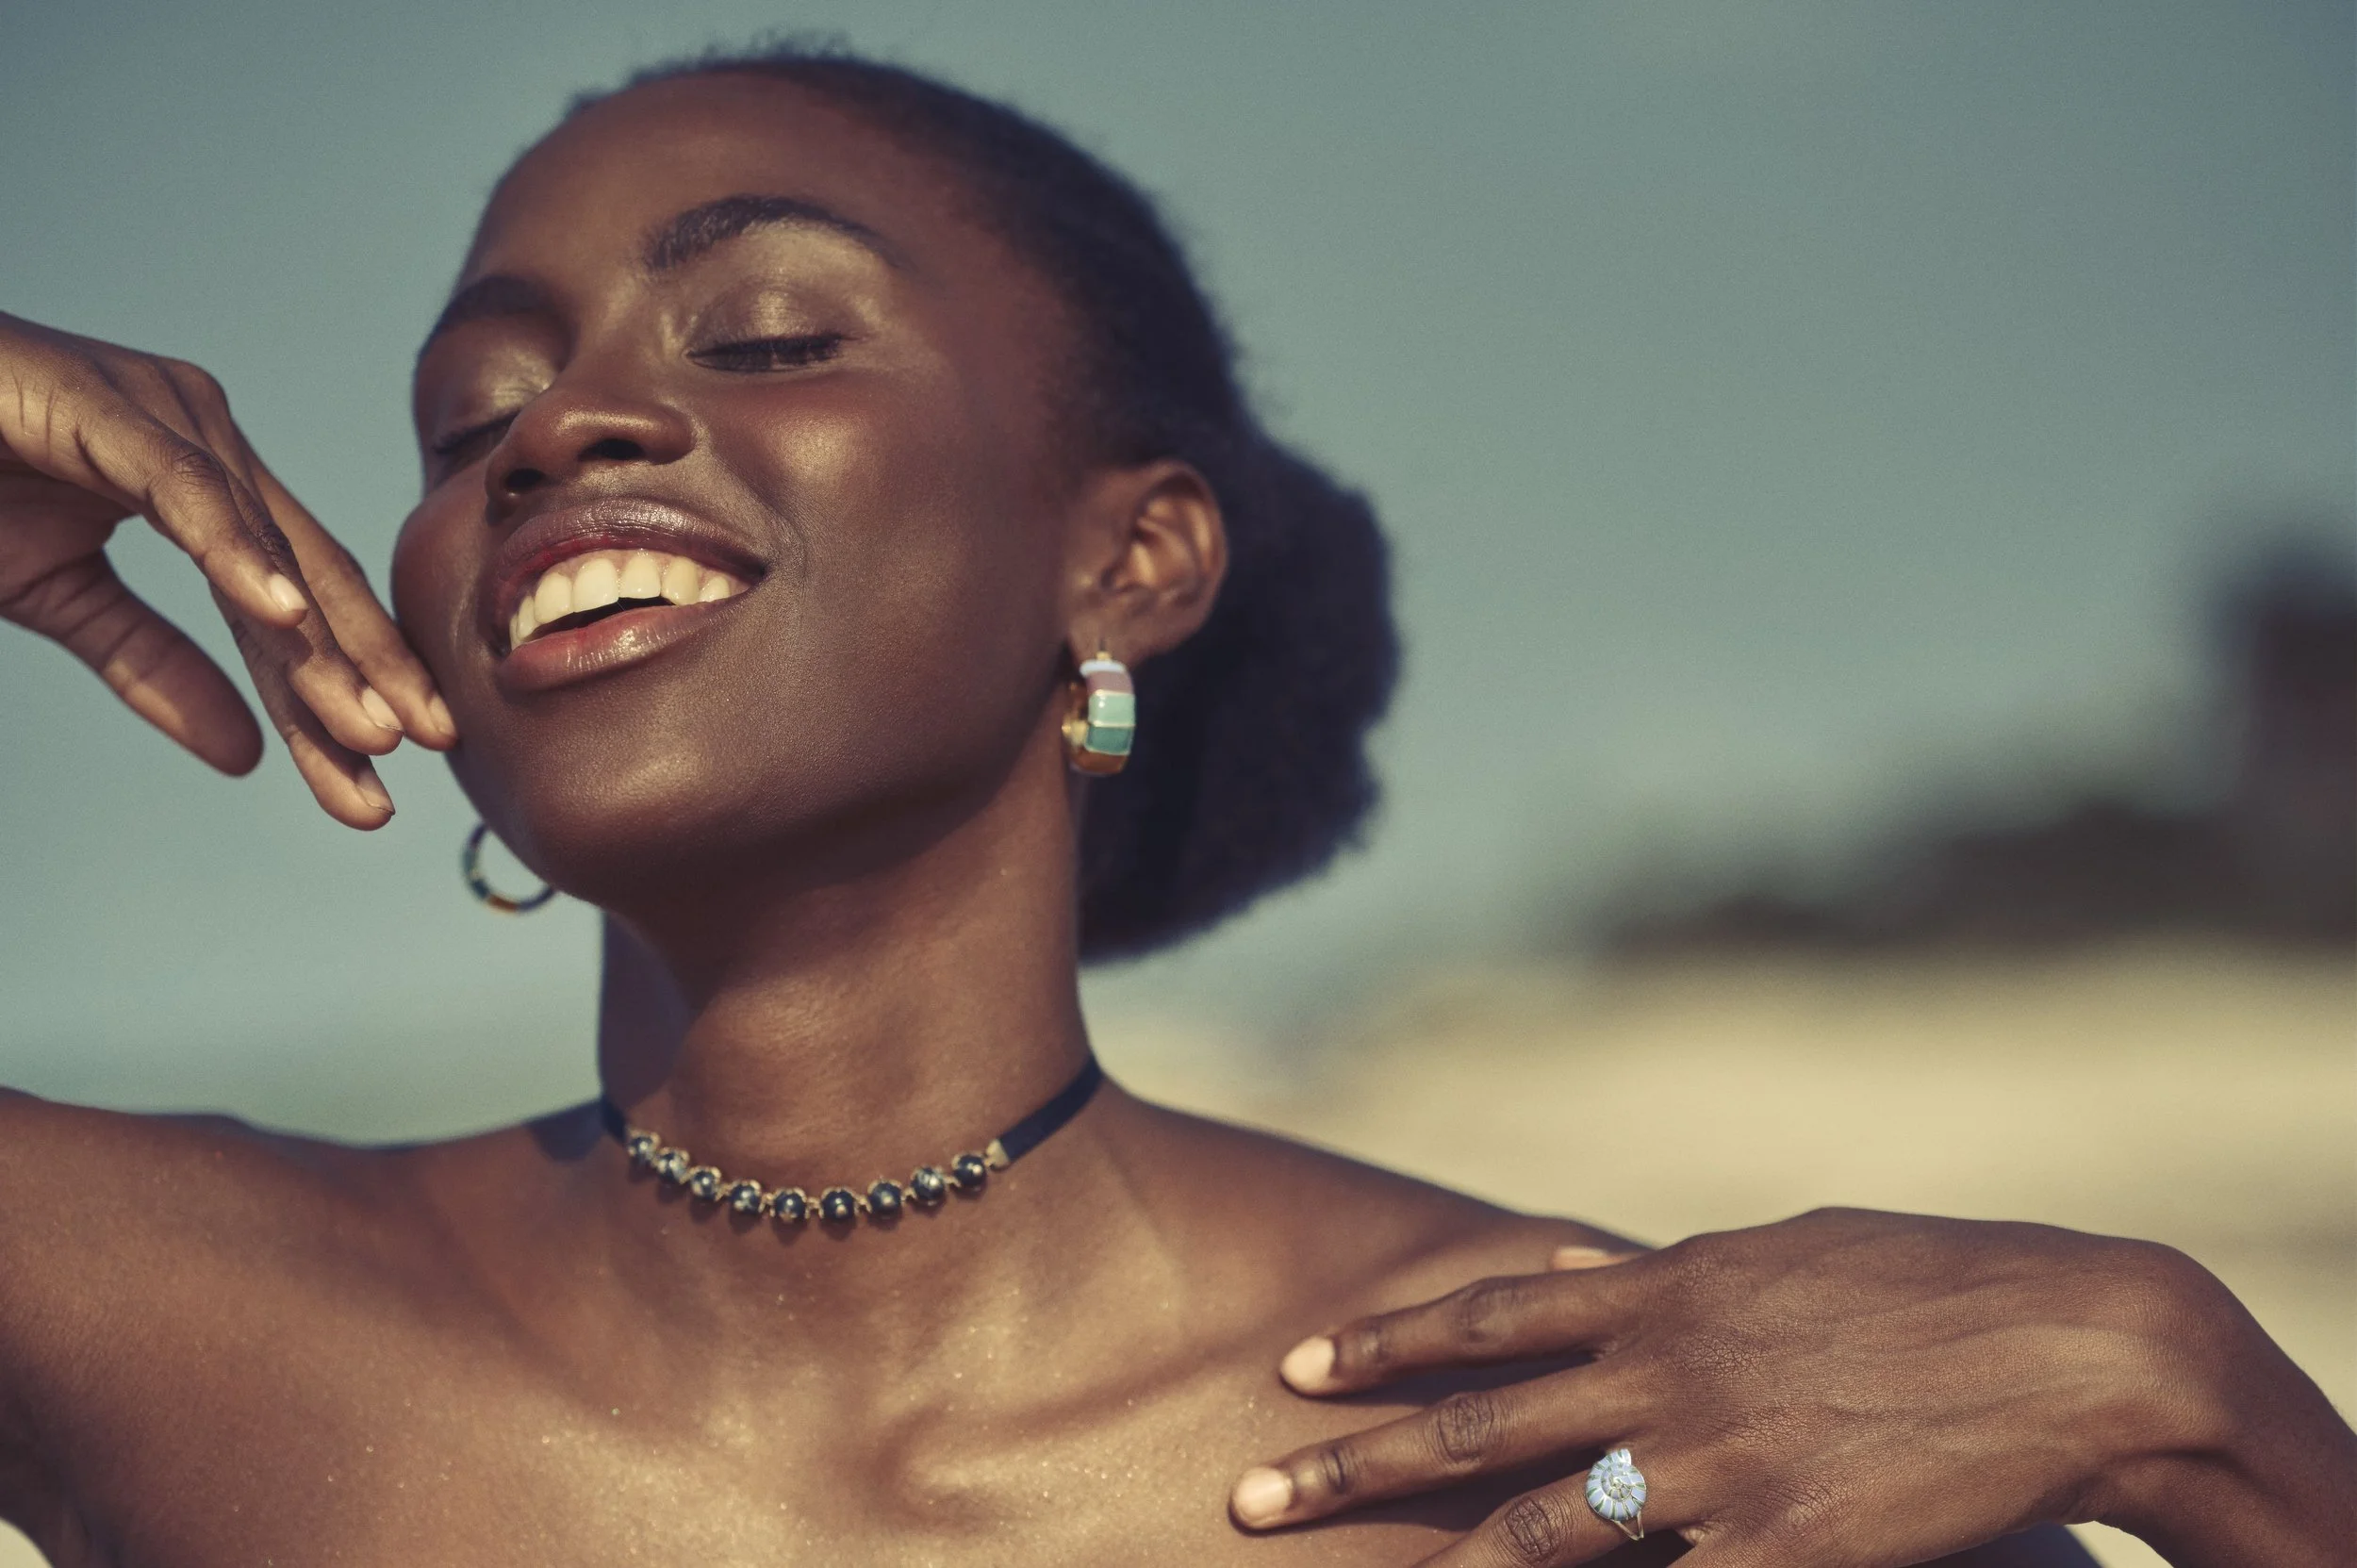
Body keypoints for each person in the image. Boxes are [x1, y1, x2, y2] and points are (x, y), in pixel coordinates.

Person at [0, 46, 2347, 1568]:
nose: (555, 433)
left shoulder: (1581, 1441)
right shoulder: (128, 1297)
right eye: (463, 411)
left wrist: (2225, 1441)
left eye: (771, 335)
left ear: (1122, 560)